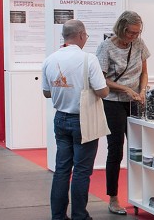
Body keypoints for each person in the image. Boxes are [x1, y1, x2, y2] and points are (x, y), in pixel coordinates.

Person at [42, 19, 109, 220]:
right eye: (85, 36)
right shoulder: (89, 59)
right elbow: (102, 91)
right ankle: (80, 215)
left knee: (61, 170)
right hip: (83, 120)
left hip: (60, 119)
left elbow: (46, 93)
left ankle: (58, 216)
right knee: (81, 171)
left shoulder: (50, 59)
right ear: (81, 35)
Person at [94, 11, 150, 215]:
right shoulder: (106, 47)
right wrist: (125, 89)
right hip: (113, 103)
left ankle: (142, 195)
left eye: (137, 32)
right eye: (130, 32)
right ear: (121, 28)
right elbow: (101, 79)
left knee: (140, 149)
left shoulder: (139, 44)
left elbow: (144, 72)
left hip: (135, 102)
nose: (133, 36)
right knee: (116, 150)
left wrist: (142, 91)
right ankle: (113, 197)